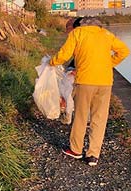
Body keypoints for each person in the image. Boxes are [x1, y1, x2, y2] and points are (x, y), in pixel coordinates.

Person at [50, 17, 130, 166]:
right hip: (105, 82)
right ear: (98, 26)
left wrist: (52, 62)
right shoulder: (106, 34)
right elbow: (124, 51)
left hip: (85, 80)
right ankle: (93, 155)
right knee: (99, 118)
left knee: (81, 115)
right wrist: (109, 63)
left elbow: (64, 54)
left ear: (82, 25)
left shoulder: (78, 33)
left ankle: (76, 150)